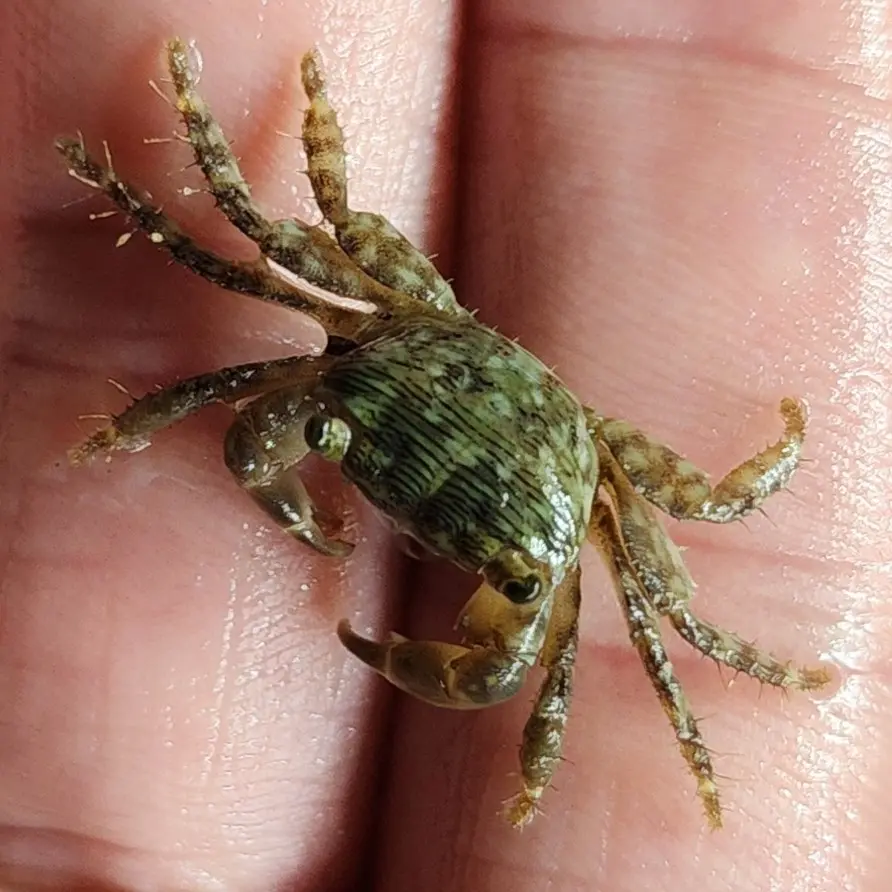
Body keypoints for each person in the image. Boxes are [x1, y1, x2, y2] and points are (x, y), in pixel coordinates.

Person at [0, 0, 881, 889]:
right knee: (246, 236)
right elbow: (285, 232)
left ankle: (629, 767)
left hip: (491, 433)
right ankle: (156, 135)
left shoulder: (573, 545)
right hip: (407, 332)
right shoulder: (362, 334)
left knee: (657, 633)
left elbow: (697, 534)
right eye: (331, 440)